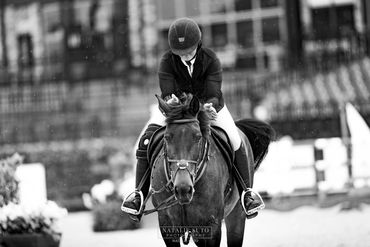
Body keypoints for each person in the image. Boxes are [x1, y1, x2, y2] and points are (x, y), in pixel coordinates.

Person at [121, 17, 264, 221]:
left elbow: (213, 91)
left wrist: (208, 107)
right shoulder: (167, 61)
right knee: (145, 140)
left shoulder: (211, 59)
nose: (185, 56)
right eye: (180, 52)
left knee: (234, 139)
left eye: (189, 50)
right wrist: (172, 102)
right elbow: (168, 91)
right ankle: (138, 195)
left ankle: (247, 194)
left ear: (198, 43)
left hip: (209, 106)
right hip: (176, 111)